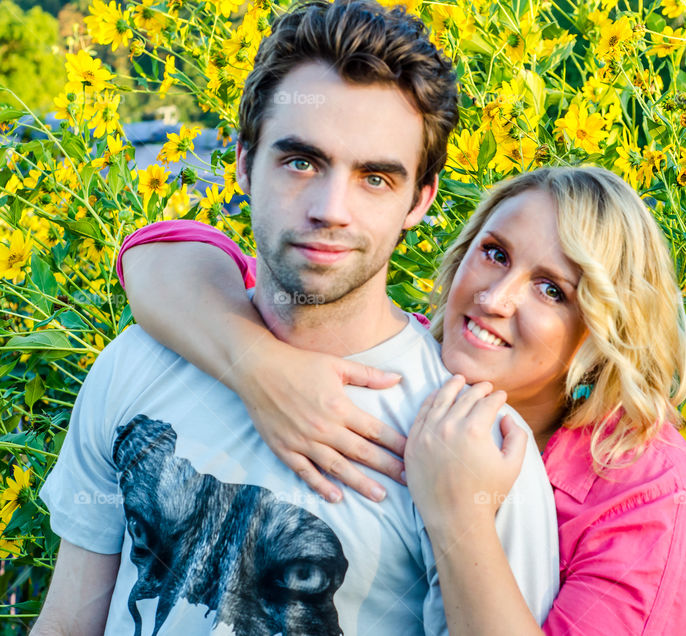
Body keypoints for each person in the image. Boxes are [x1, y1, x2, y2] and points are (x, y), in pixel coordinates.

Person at [31, 2, 560, 634]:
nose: (331, 209)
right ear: (244, 162)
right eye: (301, 161)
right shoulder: (135, 362)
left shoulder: (477, 447)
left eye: (375, 178)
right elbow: (66, 623)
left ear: (421, 200)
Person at [115, 166, 686, 633]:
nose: (496, 298)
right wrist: (263, 370)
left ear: (603, 328)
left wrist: (459, 514)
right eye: (495, 254)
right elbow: (165, 255)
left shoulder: (654, 499)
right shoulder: (396, 367)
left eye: (551, 289)